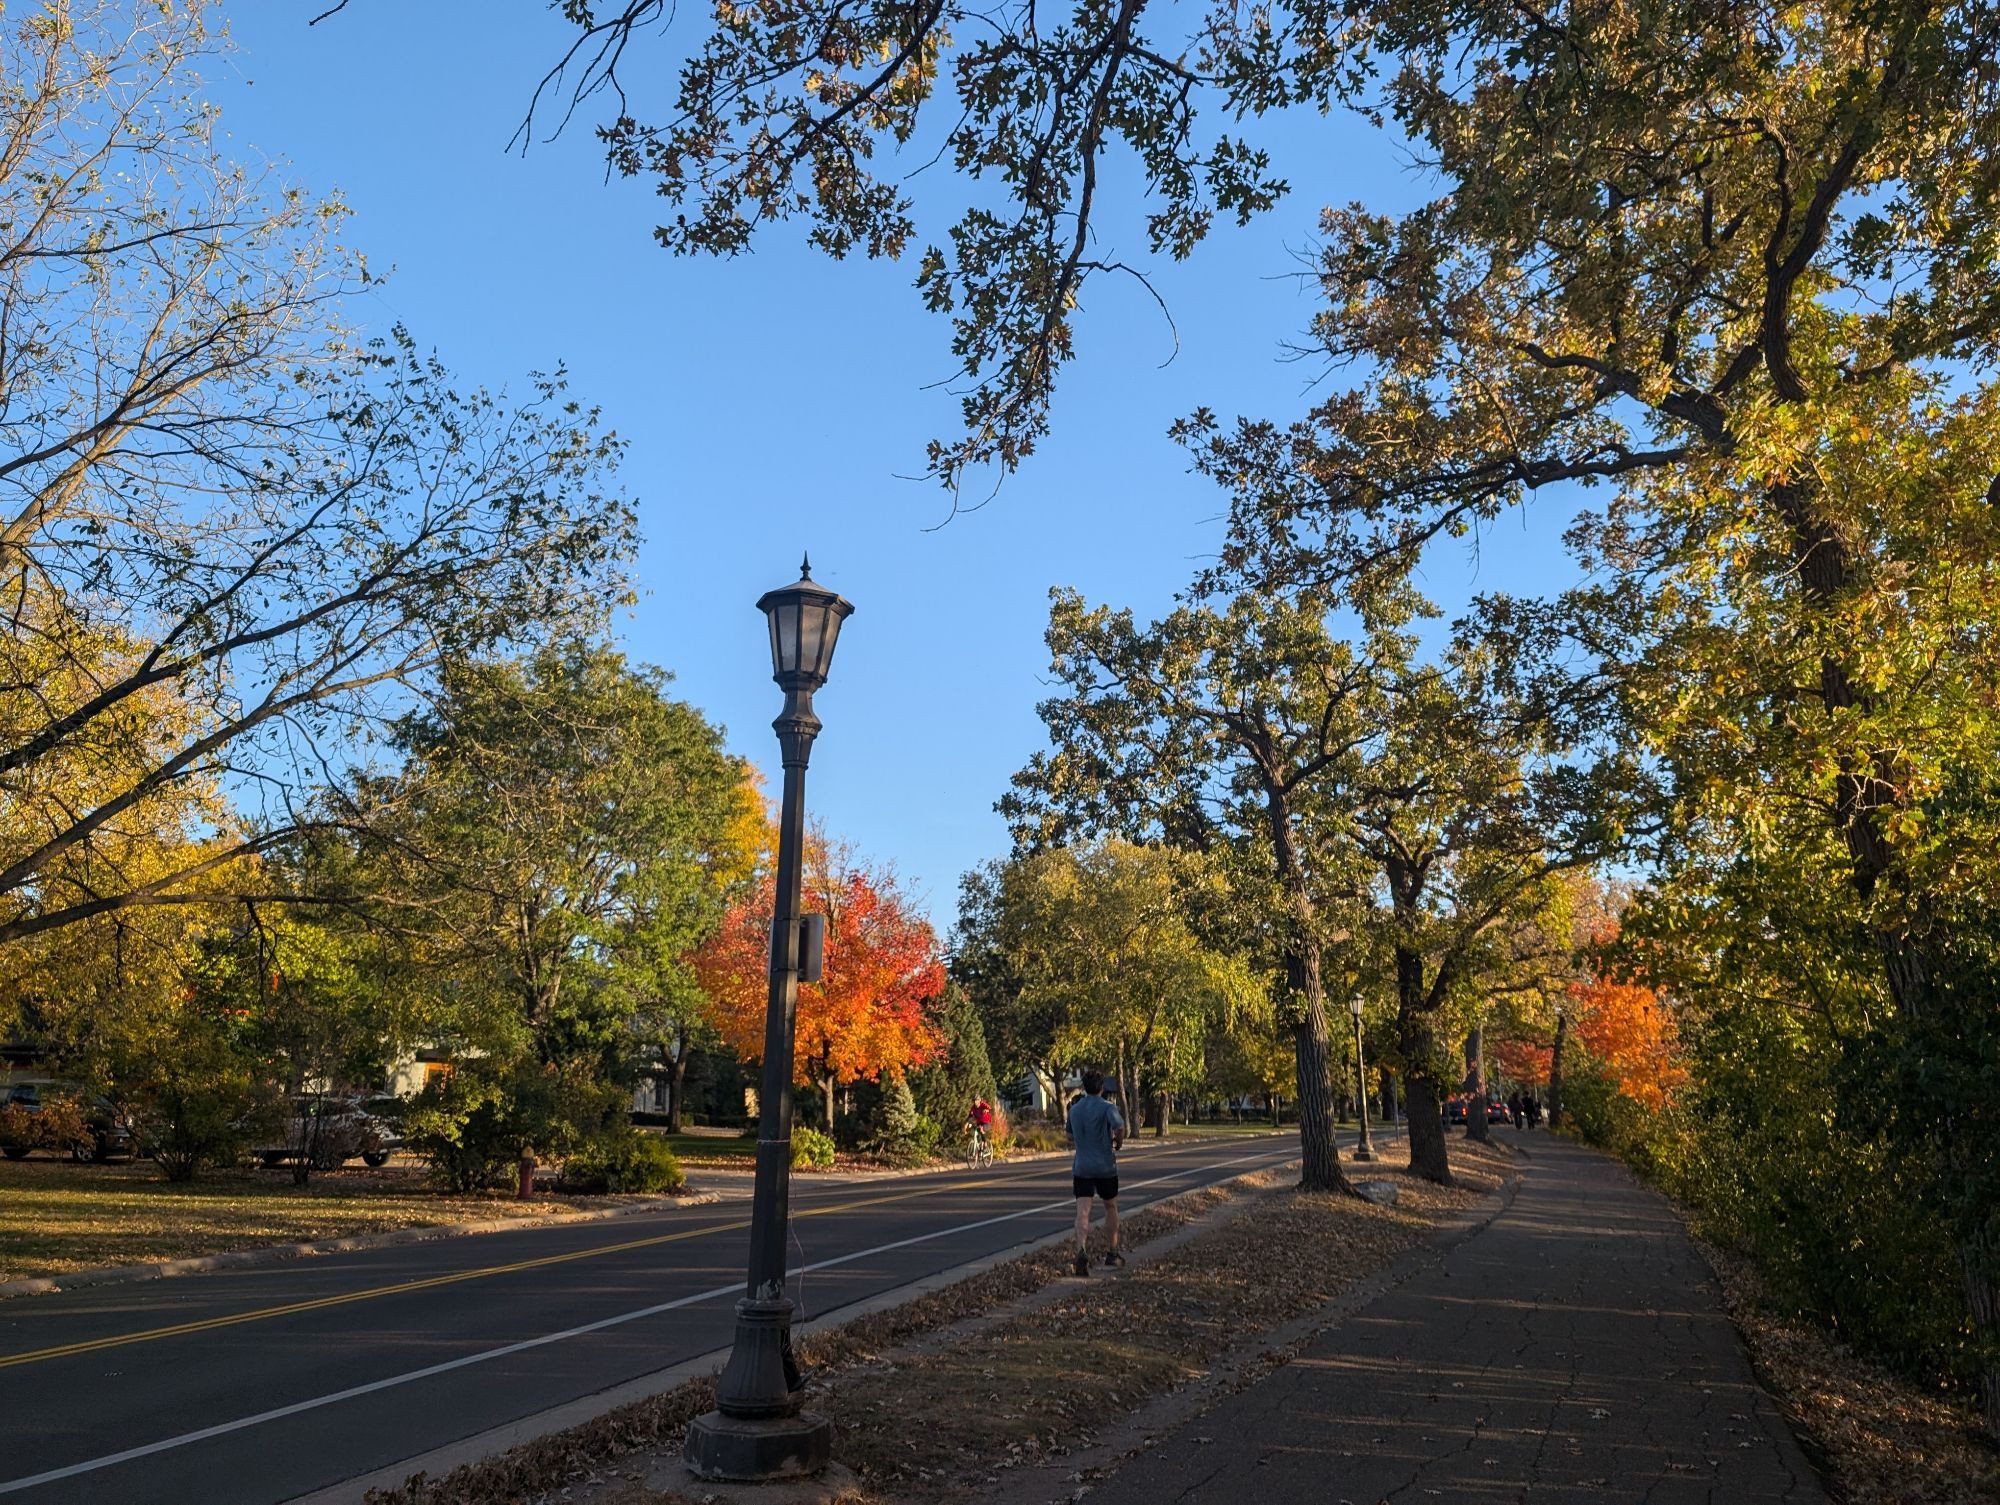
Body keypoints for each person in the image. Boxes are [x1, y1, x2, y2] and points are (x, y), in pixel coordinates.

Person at [1066, 1069, 1125, 1276]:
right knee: (1110, 1207)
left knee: (1082, 1211)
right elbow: (1119, 1127)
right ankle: (1113, 1252)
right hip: (1105, 1166)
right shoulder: (1108, 1108)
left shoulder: (1074, 1110)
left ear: (1084, 1087)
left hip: (1082, 1166)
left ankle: (1081, 1249)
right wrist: (1118, 1142)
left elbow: (1069, 1136)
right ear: (1101, 1088)